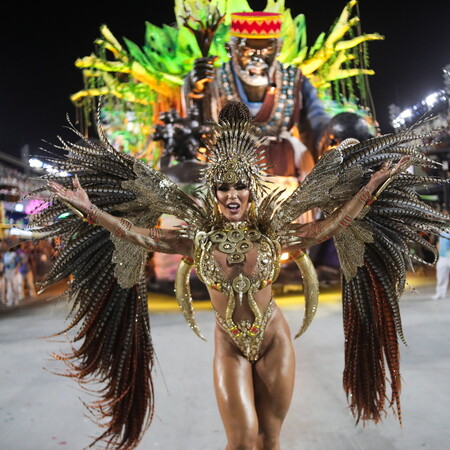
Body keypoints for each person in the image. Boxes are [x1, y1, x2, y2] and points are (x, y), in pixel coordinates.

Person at [36, 101, 449, 450]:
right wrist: (91, 210)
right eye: (223, 187)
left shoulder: (275, 232)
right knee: (241, 442)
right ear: (213, 191)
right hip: (229, 345)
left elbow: (331, 226)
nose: (232, 194)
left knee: (269, 440)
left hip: (274, 341)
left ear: (251, 189)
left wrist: (370, 186)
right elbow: (134, 233)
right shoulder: (192, 239)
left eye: (240, 186)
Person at [183, 12, 330, 181]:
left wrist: (333, 135)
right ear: (230, 49)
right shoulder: (211, 79)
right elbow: (194, 127)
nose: (258, 59)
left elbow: (316, 121)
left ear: (279, 49)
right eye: (248, 51)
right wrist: (197, 89)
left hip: (282, 173)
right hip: (228, 179)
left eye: (267, 51)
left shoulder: (295, 79)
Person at [433, 229, 450, 300]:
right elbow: (438, 243)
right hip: (443, 257)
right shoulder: (440, 233)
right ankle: (440, 293)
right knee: (441, 277)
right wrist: (440, 254)